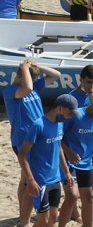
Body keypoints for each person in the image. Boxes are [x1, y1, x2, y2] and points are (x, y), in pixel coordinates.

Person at [4, 58, 61, 227]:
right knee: (29, 180)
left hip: (38, 138)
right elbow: (27, 87)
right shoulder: (11, 91)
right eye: (31, 77)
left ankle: (24, 219)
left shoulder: (34, 85)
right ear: (21, 75)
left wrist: (36, 66)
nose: (35, 81)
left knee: (25, 180)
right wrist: (24, 67)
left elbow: (56, 75)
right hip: (23, 141)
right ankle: (25, 221)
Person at [18, 94, 77, 227]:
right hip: (40, 181)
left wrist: (66, 172)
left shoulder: (60, 124)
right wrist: (31, 180)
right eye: (70, 113)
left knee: (52, 219)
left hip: (55, 179)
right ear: (60, 108)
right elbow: (22, 154)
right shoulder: (38, 125)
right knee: (43, 221)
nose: (71, 116)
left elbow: (59, 148)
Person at [58, 95, 93, 227]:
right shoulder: (76, 115)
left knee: (89, 197)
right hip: (69, 161)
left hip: (86, 163)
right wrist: (68, 152)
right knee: (72, 197)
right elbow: (57, 136)